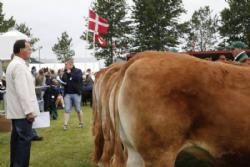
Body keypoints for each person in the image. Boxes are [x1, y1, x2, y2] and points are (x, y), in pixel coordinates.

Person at [6, 40, 40, 167]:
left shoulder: (14, 64)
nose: (30, 51)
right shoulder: (19, 66)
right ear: (21, 50)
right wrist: (28, 111)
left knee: (16, 144)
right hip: (22, 113)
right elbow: (22, 91)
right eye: (29, 48)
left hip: (17, 113)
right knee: (23, 145)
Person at [62, 58, 83, 130]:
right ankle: (65, 125)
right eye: (65, 64)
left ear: (70, 64)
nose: (65, 65)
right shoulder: (65, 72)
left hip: (76, 93)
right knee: (67, 109)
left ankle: (81, 123)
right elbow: (64, 81)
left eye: (66, 64)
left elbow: (78, 79)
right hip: (67, 94)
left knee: (78, 109)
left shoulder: (78, 71)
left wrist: (69, 73)